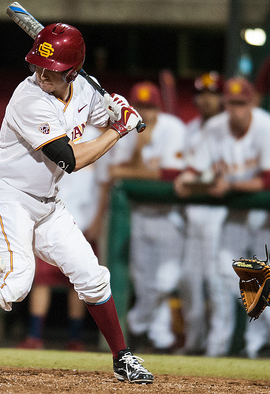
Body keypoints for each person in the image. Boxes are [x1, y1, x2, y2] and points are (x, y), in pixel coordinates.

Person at [0, 23, 153, 384]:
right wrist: (119, 129)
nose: (40, 74)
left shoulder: (82, 88)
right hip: (4, 193)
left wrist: (117, 111)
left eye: (50, 70)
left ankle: (122, 357)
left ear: (71, 71)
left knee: (93, 277)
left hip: (46, 203)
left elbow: (100, 117)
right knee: (16, 281)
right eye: (36, 65)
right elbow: (69, 158)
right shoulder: (29, 98)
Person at [174, 76, 270, 359]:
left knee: (269, 273)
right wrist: (188, 178)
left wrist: (228, 185)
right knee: (224, 266)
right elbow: (195, 167)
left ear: (252, 102)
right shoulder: (214, 128)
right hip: (239, 206)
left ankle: (256, 346)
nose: (236, 109)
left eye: (241, 103)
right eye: (231, 103)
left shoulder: (267, 126)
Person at [107, 80, 187, 354]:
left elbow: (171, 175)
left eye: (150, 107)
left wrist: (135, 168)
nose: (145, 112)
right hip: (140, 214)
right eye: (140, 106)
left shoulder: (173, 128)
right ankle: (159, 335)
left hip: (170, 215)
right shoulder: (124, 126)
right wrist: (139, 150)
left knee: (166, 281)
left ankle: (137, 323)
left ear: (159, 108)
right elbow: (114, 173)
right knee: (143, 282)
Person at [17, 124, 104, 352]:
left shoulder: (96, 136)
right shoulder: (51, 128)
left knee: (79, 282)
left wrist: (98, 219)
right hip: (50, 218)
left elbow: (104, 184)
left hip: (83, 219)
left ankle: (75, 338)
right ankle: (34, 336)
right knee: (43, 279)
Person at [178, 71, 229, 356]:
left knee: (215, 279)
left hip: (220, 213)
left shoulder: (225, 127)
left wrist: (197, 180)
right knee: (188, 279)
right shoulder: (191, 129)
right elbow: (183, 173)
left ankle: (216, 346)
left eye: (212, 93)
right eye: (202, 93)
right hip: (193, 212)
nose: (206, 99)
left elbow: (221, 176)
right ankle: (194, 339)